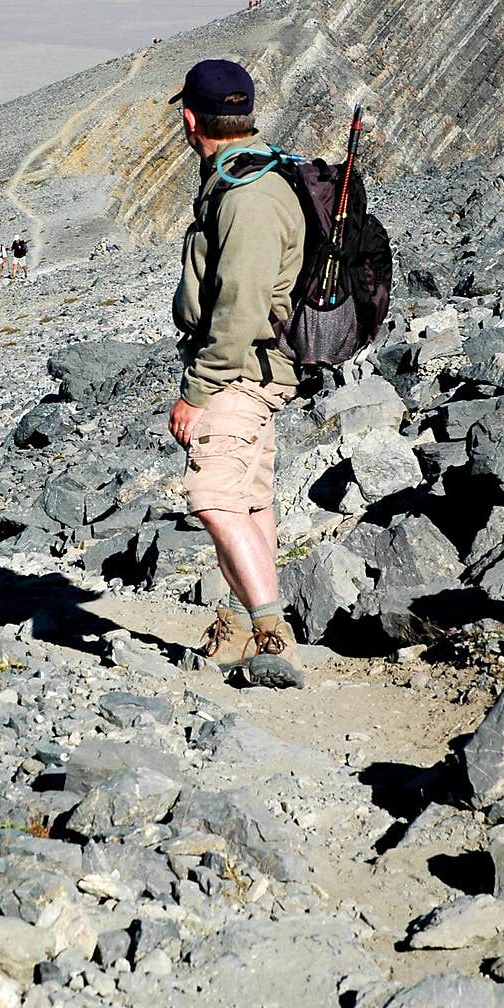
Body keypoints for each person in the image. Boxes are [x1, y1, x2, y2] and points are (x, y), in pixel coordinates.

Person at [167, 59, 306, 690]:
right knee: (249, 499)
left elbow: (242, 301)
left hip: (238, 372)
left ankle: (272, 630)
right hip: (255, 366)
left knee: (212, 498)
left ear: (192, 118)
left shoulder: (247, 195)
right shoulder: (252, 173)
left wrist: (197, 391)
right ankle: (251, 631)